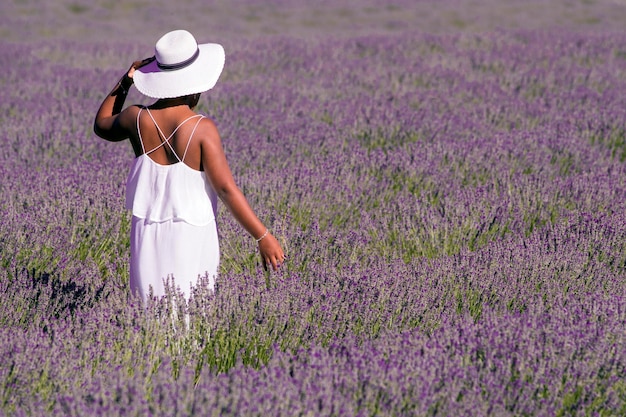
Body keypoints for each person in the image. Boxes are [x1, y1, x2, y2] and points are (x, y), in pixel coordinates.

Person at [94, 29, 285, 303]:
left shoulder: (136, 118)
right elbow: (226, 189)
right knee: (191, 306)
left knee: (148, 304)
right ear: (195, 83)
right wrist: (262, 236)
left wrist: (126, 81)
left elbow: (101, 124)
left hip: (147, 229)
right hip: (192, 230)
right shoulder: (202, 129)